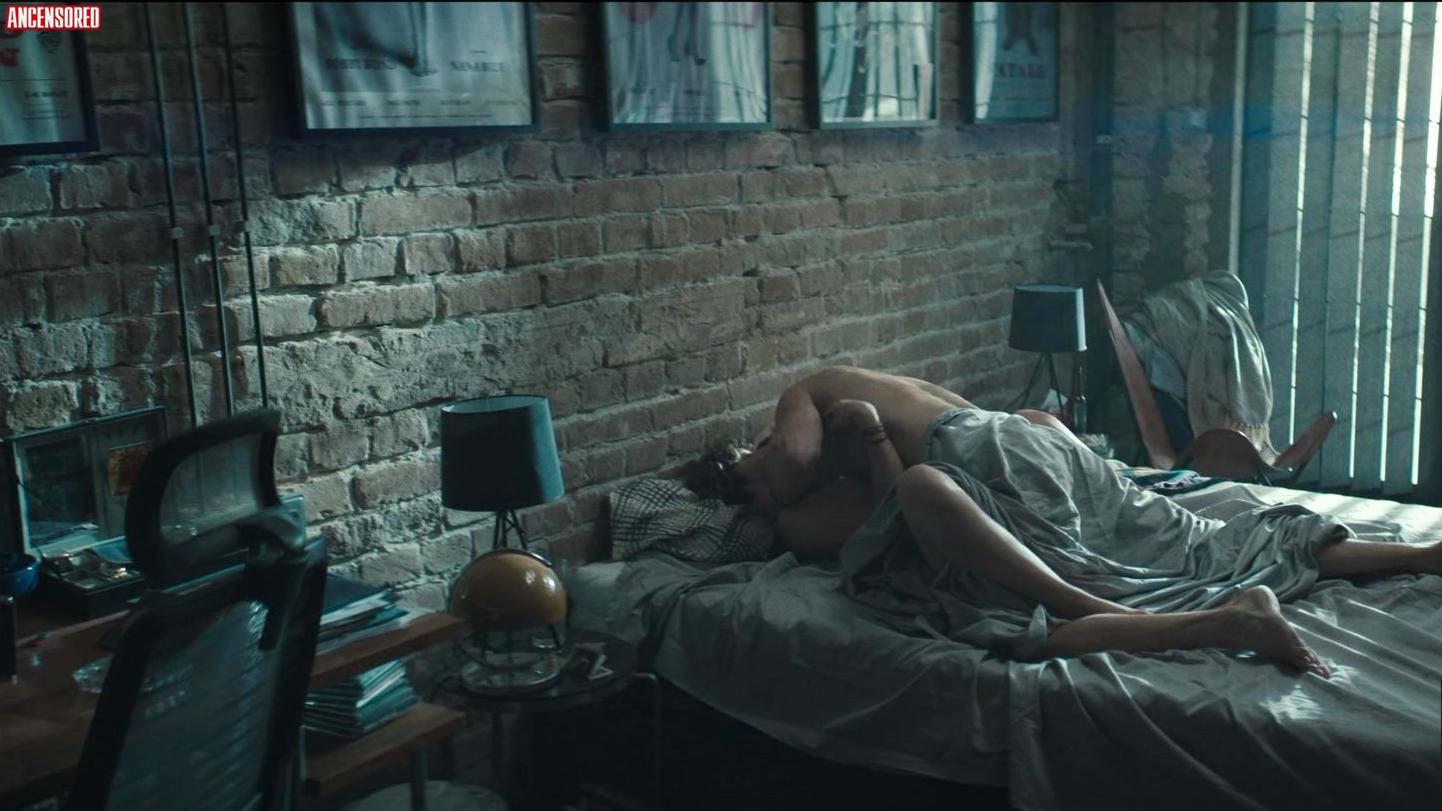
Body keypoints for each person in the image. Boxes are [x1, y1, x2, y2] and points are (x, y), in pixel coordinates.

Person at [680, 365, 1442, 677]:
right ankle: (1418, 554)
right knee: (1198, 541)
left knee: (1046, 604)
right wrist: (868, 442)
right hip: (1027, 444)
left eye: (756, 455)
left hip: (1007, 461)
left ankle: (1135, 612)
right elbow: (884, 518)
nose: (768, 466)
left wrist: (773, 466)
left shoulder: (808, 398)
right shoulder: (859, 425)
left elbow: (800, 459)